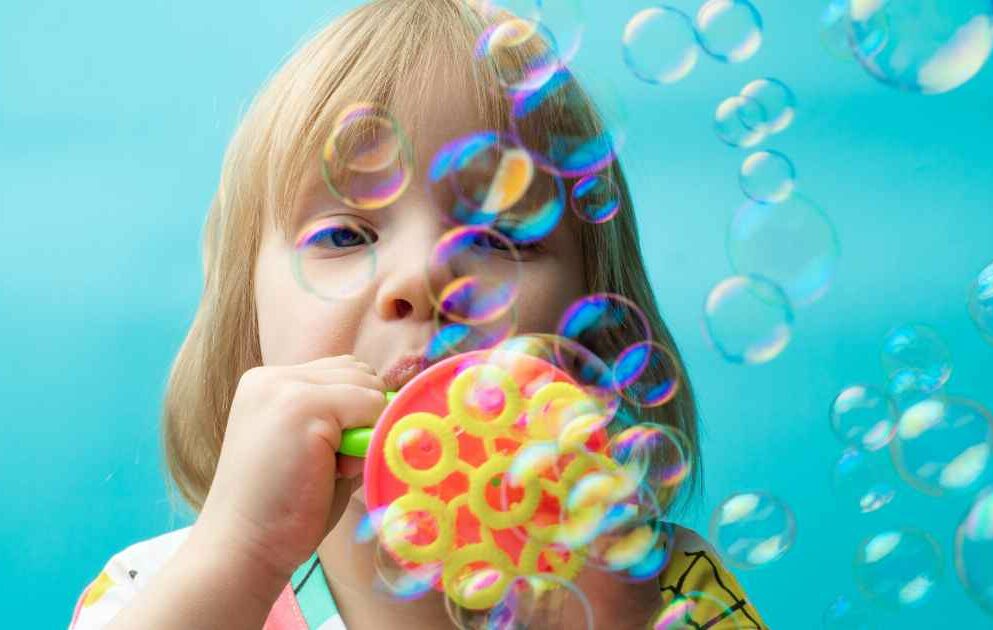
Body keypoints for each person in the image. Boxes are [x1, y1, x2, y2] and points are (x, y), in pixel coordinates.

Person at [68, 1, 768, 628]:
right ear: (244, 332)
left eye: (499, 238)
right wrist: (243, 556)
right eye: (344, 235)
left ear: (603, 332)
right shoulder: (159, 592)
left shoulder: (665, 593)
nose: (425, 278)